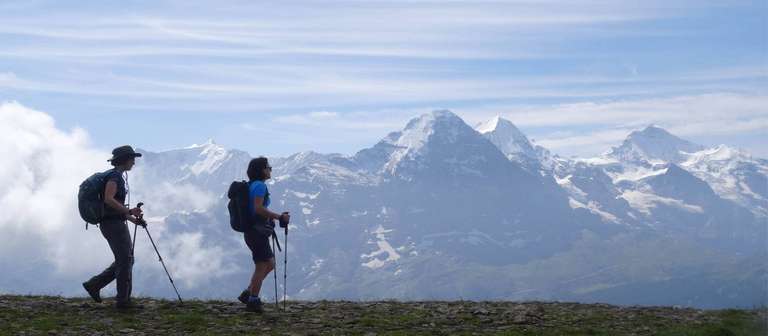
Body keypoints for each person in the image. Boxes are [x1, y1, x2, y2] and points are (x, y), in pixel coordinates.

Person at [82, 145, 145, 309]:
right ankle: (123, 302)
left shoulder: (115, 176)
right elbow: (109, 199)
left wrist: (132, 219)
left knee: (125, 259)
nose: (133, 163)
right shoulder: (115, 177)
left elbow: (112, 206)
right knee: (126, 260)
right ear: (125, 160)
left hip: (112, 222)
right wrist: (129, 210)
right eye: (132, 159)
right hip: (113, 224)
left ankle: (95, 285)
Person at [237, 157, 290, 313]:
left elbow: (256, 210)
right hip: (257, 232)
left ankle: (248, 293)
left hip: (252, 231)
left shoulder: (252, 185)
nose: (270, 170)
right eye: (268, 167)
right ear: (262, 170)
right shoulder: (260, 186)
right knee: (262, 265)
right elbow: (258, 209)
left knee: (270, 264)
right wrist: (279, 217)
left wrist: (270, 219)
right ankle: (253, 300)